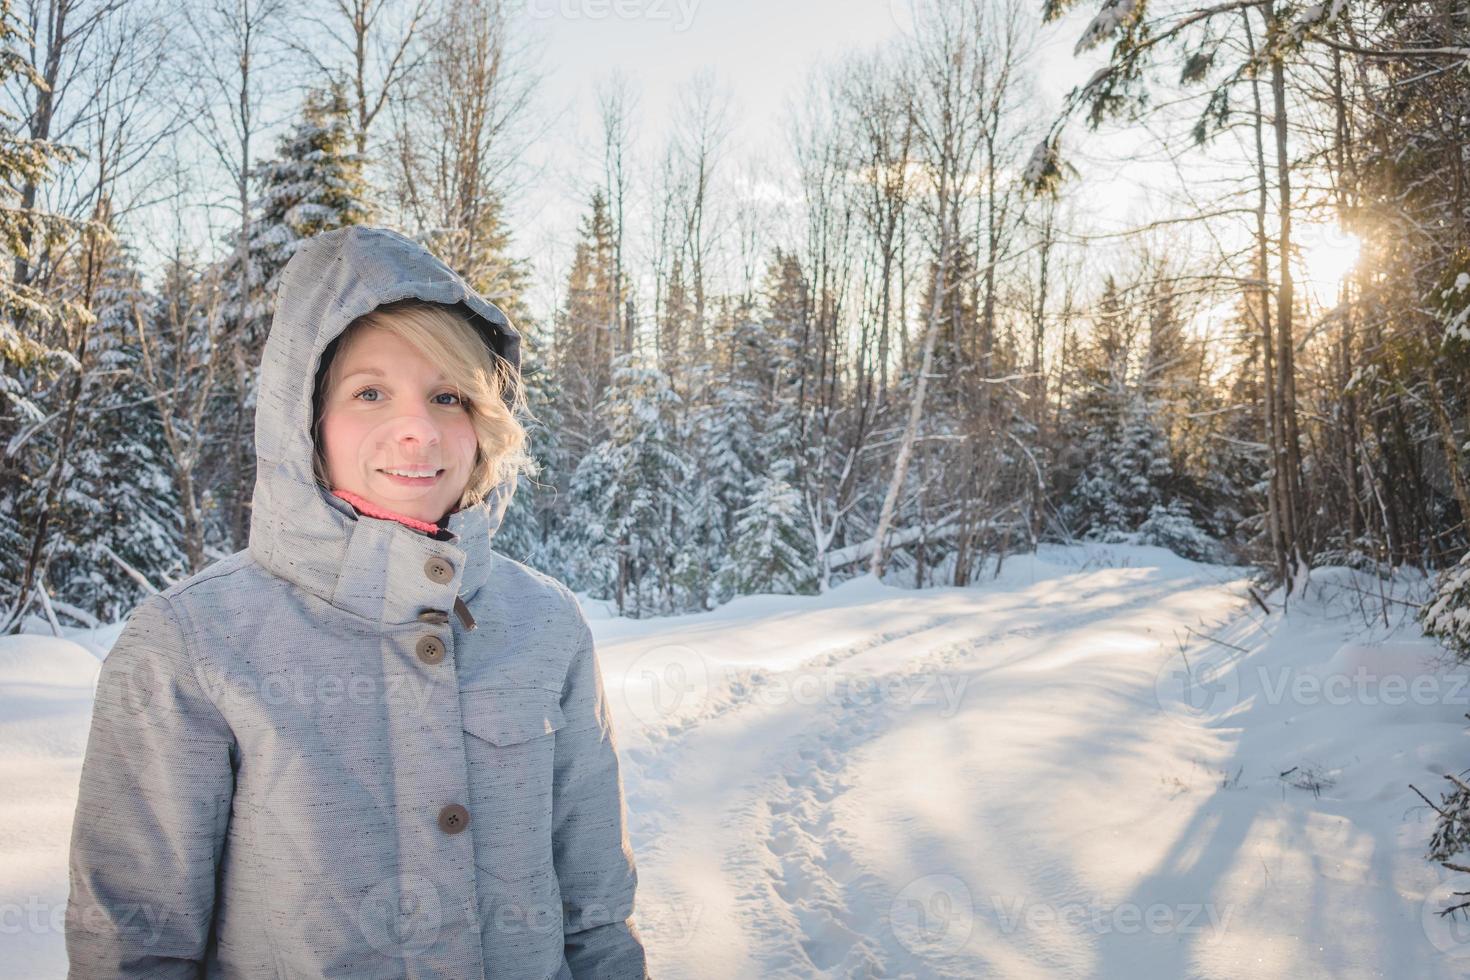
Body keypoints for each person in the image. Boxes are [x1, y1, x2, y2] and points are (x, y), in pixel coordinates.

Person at [64, 225, 649, 979]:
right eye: (369, 392)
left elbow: (596, 913)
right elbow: (135, 948)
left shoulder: (546, 623)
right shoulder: (192, 641)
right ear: (304, 420)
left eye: (448, 395)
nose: (417, 428)